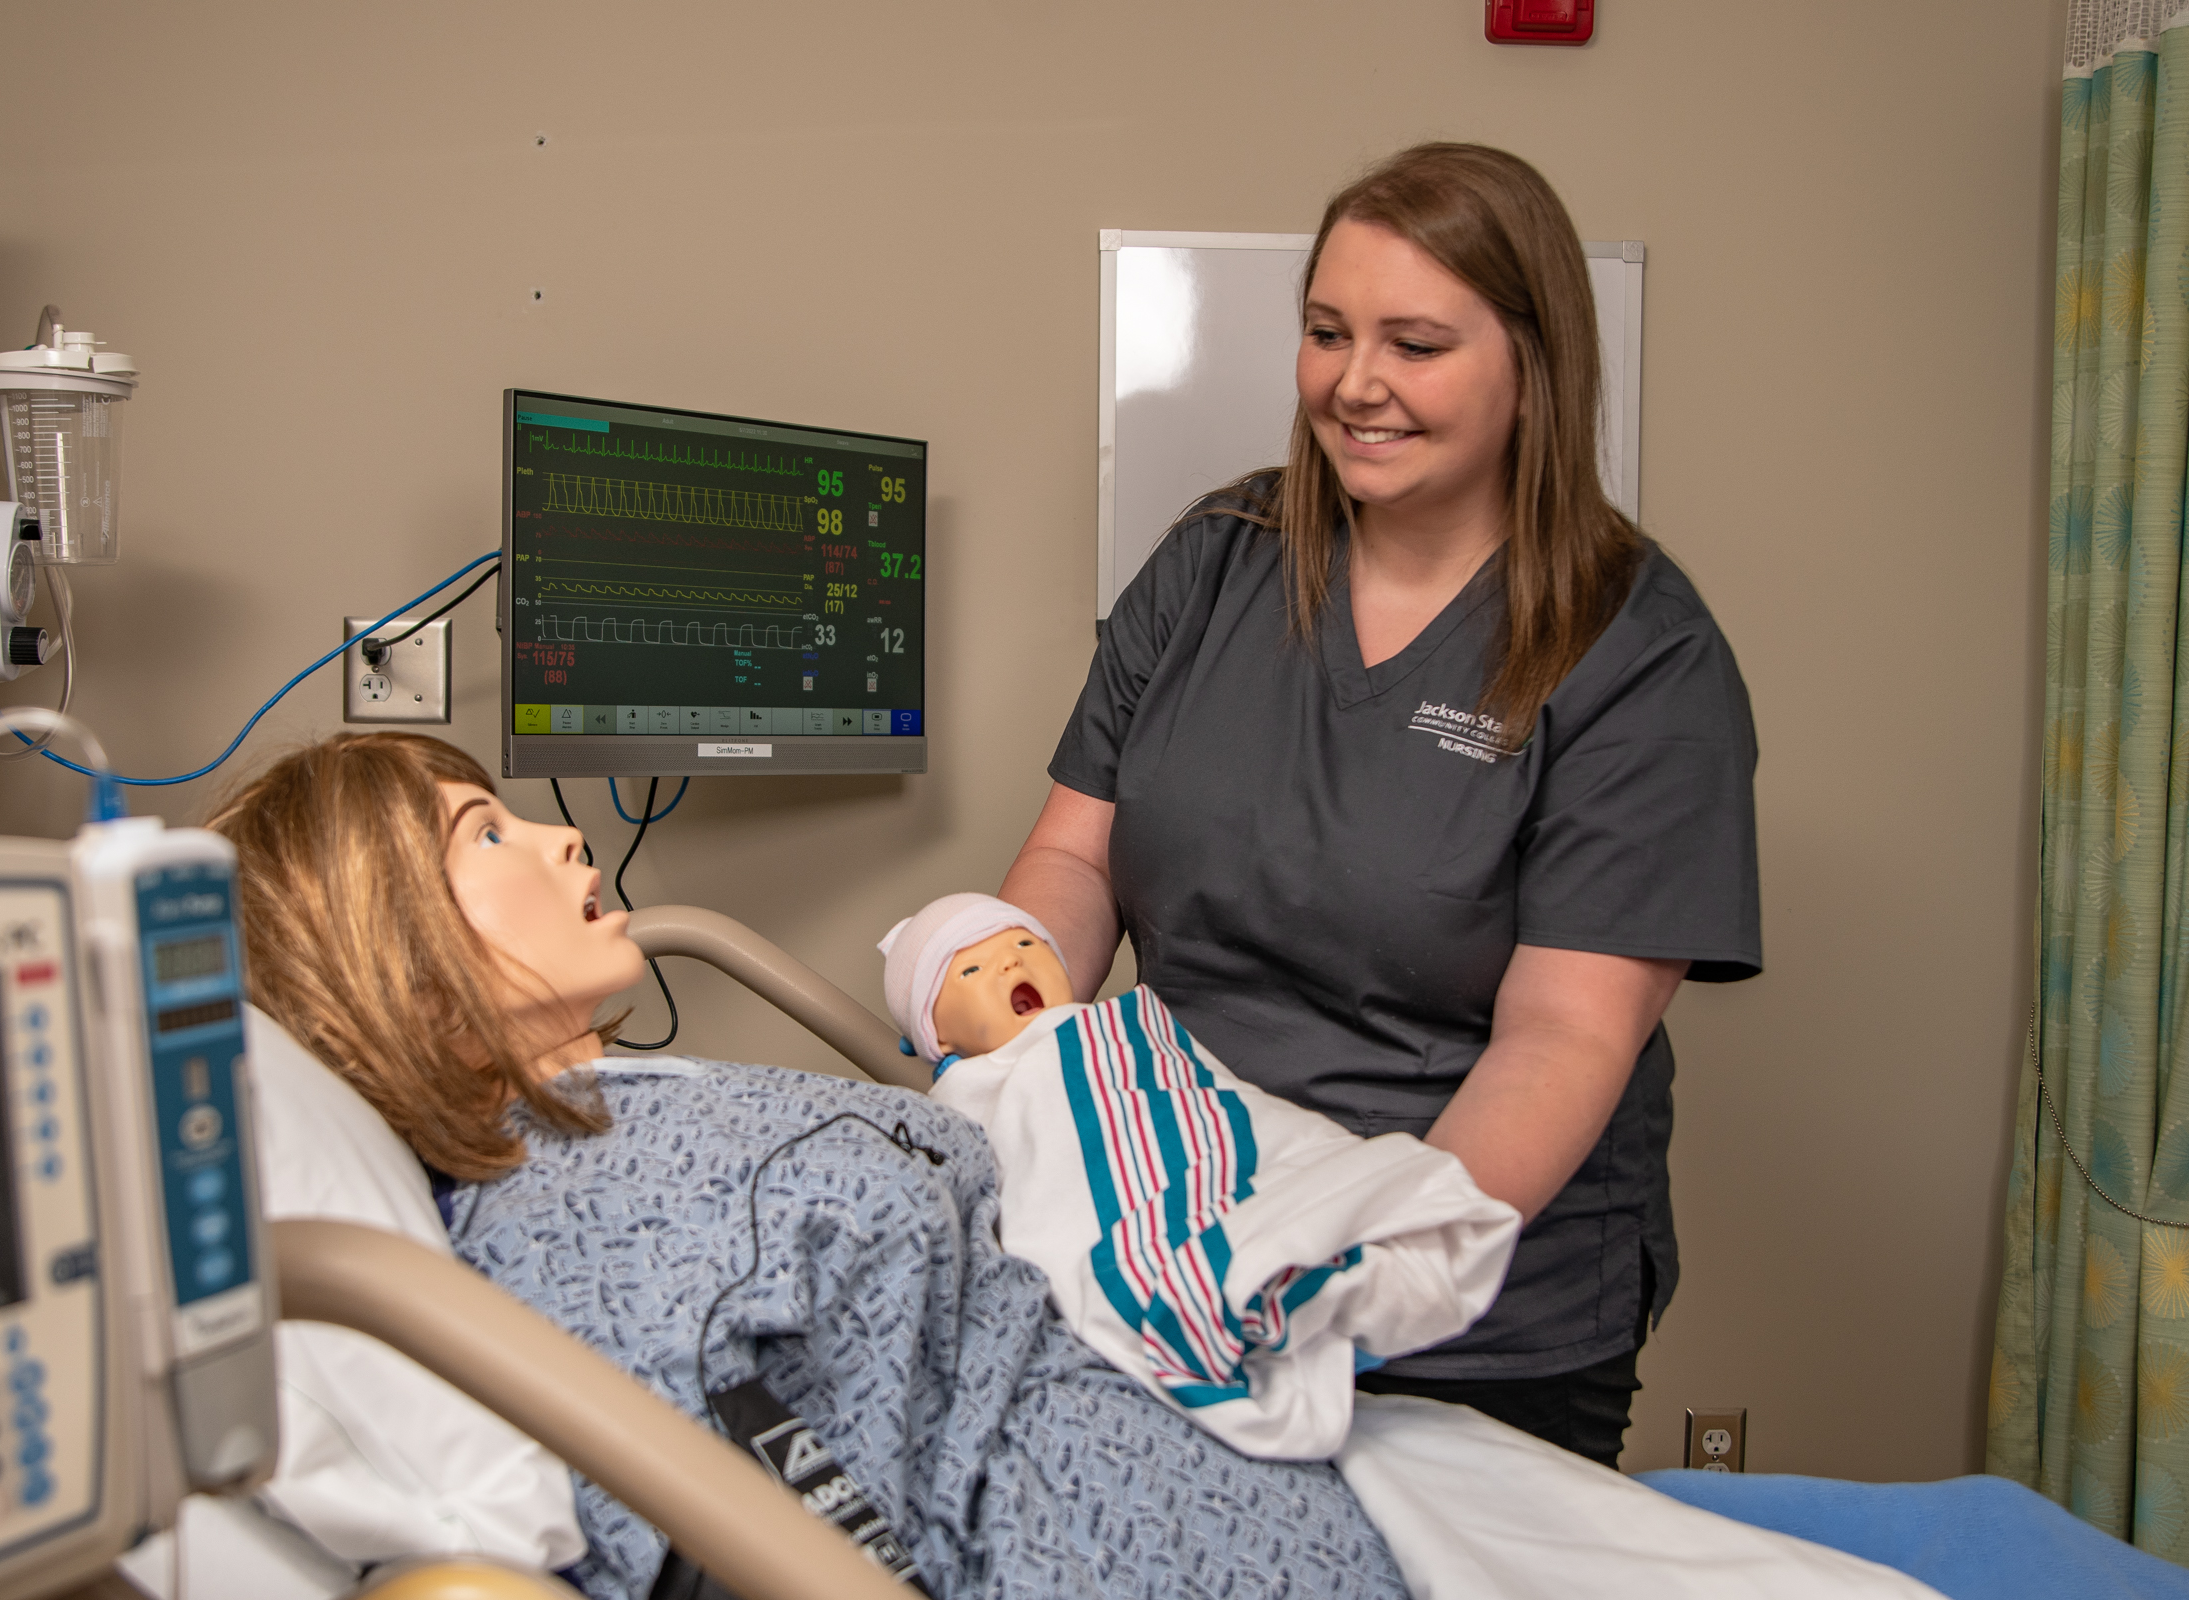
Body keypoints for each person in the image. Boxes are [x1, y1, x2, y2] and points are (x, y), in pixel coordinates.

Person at [210, 732, 1412, 1600]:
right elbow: (740, 1513)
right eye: (484, 832)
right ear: (392, 954)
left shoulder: (631, 1106)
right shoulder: (555, 1217)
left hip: (1225, 1476)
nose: (559, 831)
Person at [1000, 143, 1760, 1466]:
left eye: (1415, 343)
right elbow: (1077, 856)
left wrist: (1351, 1272)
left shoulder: (1637, 652)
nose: (1356, 384)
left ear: (1535, 364)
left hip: (1464, 1313)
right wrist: (1008, 1021)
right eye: (1326, 333)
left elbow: (1565, 1039)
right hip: (1178, 1232)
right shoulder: (1216, 564)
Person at [876, 891, 1519, 1461]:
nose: (1012, 963)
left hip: (1208, 1140)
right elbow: (1021, 1179)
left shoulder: (1117, 1027)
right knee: (1154, 1248)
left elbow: (1196, 1097)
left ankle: (1319, 1247)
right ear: (935, 1036)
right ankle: (1246, 1283)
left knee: (1288, 1161)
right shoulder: (966, 1091)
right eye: (971, 970)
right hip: (1138, 1204)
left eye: (1023, 943)